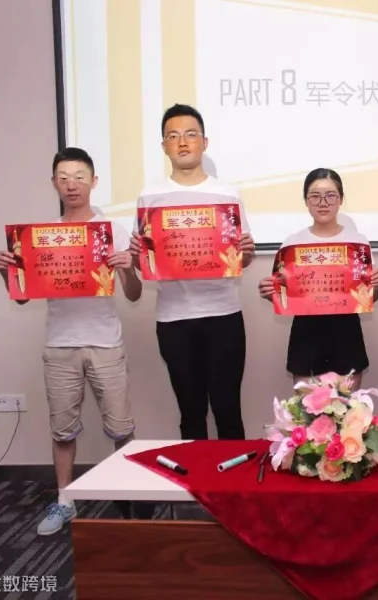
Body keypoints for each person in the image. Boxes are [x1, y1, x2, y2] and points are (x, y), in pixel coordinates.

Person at [0, 147, 142, 535]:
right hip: (60, 345)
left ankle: (128, 496)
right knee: (62, 430)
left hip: (105, 342)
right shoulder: (41, 236)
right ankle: (64, 500)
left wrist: (128, 269)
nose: (71, 184)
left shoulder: (113, 231)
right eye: (63, 177)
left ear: (94, 182)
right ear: (54, 183)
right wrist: (7, 272)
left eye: (79, 177)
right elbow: (23, 297)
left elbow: (134, 294)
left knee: (121, 428)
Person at [129, 104, 255, 441]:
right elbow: (146, 260)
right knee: (191, 412)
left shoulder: (227, 194)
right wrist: (138, 255)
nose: (182, 142)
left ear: (204, 142)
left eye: (190, 135)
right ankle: (195, 476)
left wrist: (246, 253)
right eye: (173, 136)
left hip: (223, 315)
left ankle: (232, 477)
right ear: (163, 146)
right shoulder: (150, 196)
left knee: (228, 410)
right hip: (174, 318)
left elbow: (240, 259)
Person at [258, 168, 378, 390]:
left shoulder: (357, 243)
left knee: (349, 409)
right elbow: (286, 297)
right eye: (315, 196)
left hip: (346, 333)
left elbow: (367, 297)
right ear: (306, 201)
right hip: (306, 335)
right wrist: (269, 293)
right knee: (307, 409)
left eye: (330, 195)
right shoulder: (292, 244)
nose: (323, 203)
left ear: (340, 199)